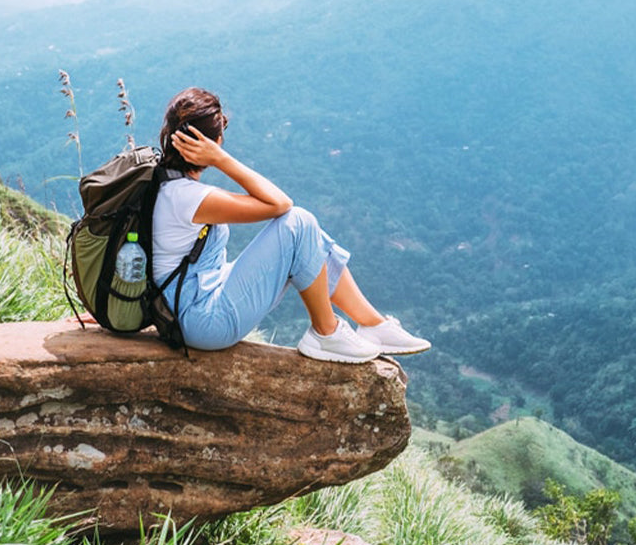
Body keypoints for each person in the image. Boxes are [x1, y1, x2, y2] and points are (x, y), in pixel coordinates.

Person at [151, 86, 430, 363]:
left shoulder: (168, 184)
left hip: (195, 301)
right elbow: (280, 204)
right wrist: (222, 160)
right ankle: (325, 332)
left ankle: (374, 326)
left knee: (310, 236)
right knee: (299, 223)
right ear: (215, 142)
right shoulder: (186, 198)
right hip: (203, 321)